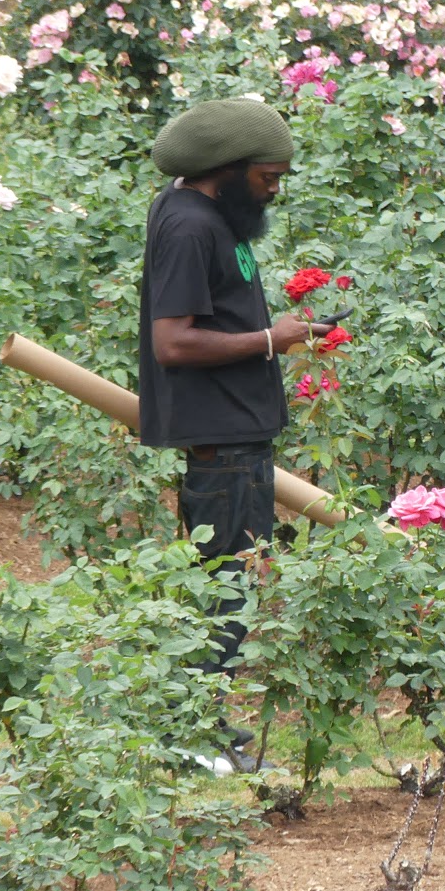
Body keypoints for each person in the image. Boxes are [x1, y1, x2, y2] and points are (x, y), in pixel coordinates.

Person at [138, 98, 333, 752]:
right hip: (221, 448)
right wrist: (270, 340)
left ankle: (202, 728)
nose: (273, 192)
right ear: (225, 168)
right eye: (267, 178)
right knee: (224, 594)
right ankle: (196, 739)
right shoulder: (191, 227)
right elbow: (174, 342)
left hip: (235, 440)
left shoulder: (208, 215)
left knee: (227, 591)